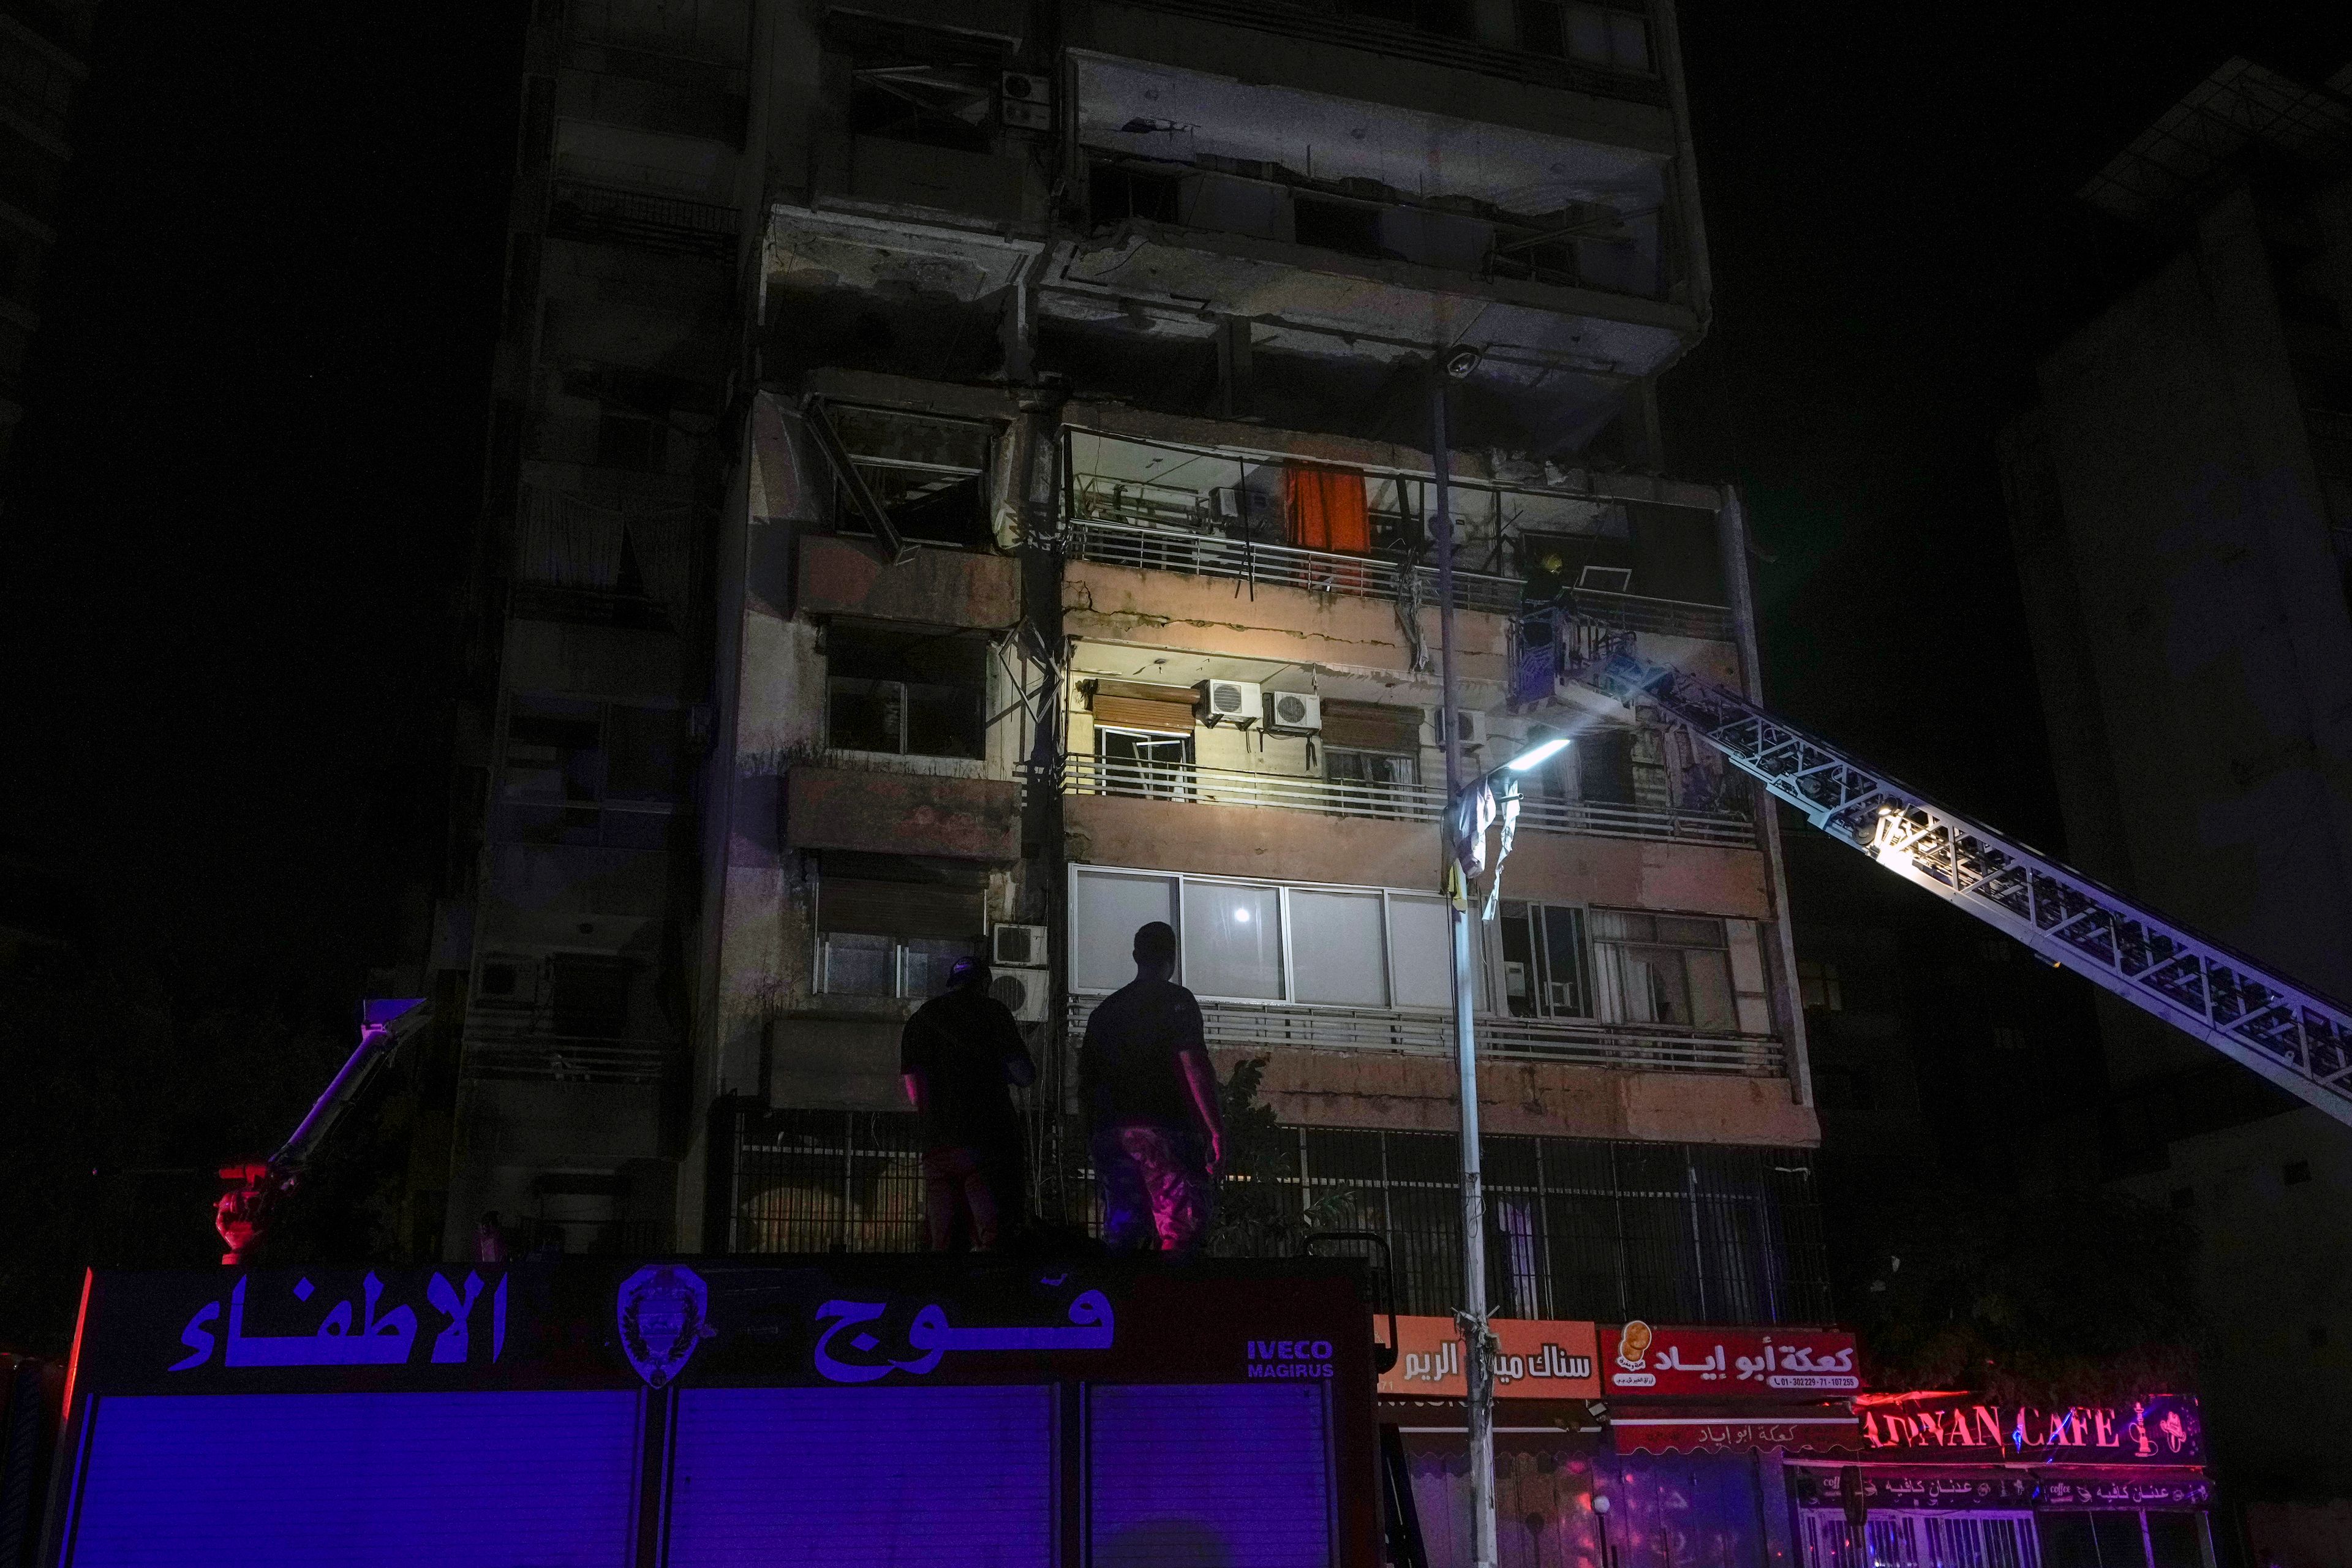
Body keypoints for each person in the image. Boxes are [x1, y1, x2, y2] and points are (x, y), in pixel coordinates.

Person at [1077, 921, 1226, 1254]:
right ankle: (1173, 1302)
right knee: (1179, 1230)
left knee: (1124, 1233)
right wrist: (1215, 1130)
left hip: (1113, 1132)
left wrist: (1093, 1136)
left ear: (1136, 956)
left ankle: (1125, 1301)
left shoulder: (1105, 1013)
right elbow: (1194, 1065)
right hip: (1166, 1128)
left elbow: (1086, 1083)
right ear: (1172, 958)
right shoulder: (1177, 1001)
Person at [901, 954, 1036, 1251]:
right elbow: (1024, 1074)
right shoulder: (993, 1013)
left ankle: (942, 1294)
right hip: (986, 1143)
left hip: (937, 1144)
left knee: (943, 1241)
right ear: (985, 983)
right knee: (992, 1238)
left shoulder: (921, 1019)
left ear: (953, 984)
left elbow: (912, 1091)